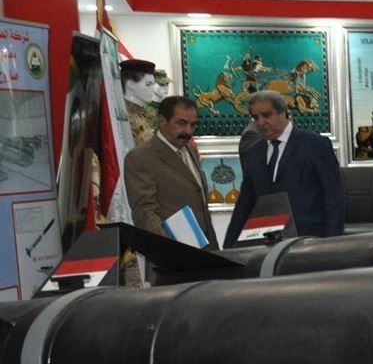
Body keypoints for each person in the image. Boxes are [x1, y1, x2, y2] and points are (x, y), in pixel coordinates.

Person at [225, 90, 345, 246]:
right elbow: (245, 203)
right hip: (265, 243)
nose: (261, 122)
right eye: (255, 117)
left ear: (283, 113)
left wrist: (332, 243)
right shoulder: (253, 152)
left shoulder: (315, 145)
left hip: (309, 240)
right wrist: (229, 247)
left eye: (266, 115)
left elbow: (334, 197)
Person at [123, 95, 220, 249]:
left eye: (193, 125)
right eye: (182, 123)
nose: (188, 131)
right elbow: (145, 213)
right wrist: (170, 251)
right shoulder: (140, 157)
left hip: (206, 251)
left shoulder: (190, 150)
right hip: (171, 255)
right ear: (162, 121)